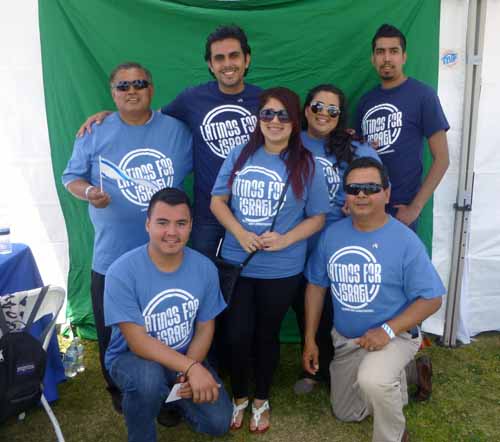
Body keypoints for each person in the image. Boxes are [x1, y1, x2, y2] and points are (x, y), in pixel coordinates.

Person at [62, 62, 192, 411]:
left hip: (164, 255)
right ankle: (119, 388)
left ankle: (167, 394)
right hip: (111, 255)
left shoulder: (177, 130)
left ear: (151, 88)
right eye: (123, 86)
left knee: (163, 325)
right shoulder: (95, 131)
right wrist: (89, 192)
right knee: (112, 329)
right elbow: (71, 177)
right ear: (112, 93)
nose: (131, 90)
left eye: (139, 83)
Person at [76, 25, 261, 259]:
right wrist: (111, 116)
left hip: (253, 208)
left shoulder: (264, 101)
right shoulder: (192, 98)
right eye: (219, 58)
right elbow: (149, 116)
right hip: (208, 214)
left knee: (251, 277)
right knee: (205, 276)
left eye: (234, 56)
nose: (227, 64)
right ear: (210, 65)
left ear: (247, 59)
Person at [211, 87, 329, 433]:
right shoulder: (239, 154)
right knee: (236, 334)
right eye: (267, 114)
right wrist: (239, 232)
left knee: (266, 334)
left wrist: (285, 240)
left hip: (282, 269)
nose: (274, 121)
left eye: (282, 115)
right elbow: (217, 201)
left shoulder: (307, 163)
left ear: (294, 120)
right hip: (238, 263)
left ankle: (261, 399)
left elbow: (318, 217)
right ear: (257, 118)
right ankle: (239, 396)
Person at [303, 157, 444, 442]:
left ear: (387, 193)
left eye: (371, 187)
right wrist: (309, 339)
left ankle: (394, 435)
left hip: (394, 336)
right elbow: (316, 287)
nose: (362, 194)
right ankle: (412, 372)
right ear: (346, 194)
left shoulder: (405, 241)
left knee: (374, 380)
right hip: (348, 340)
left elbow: (432, 299)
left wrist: (387, 330)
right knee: (348, 412)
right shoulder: (332, 236)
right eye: (354, 188)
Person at [104, 188, 232, 442]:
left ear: (190, 226)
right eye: (162, 223)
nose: (172, 232)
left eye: (181, 223)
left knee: (219, 422)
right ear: (148, 224)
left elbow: (205, 327)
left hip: (185, 355)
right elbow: (138, 342)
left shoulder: (204, 268)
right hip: (131, 358)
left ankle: (170, 398)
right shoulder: (121, 272)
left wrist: (188, 371)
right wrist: (192, 368)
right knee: (147, 380)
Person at [293, 84, 380, 395]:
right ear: (306, 110)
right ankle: (313, 366)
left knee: (337, 310)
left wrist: (361, 200)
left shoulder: (354, 146)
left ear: (341, 116)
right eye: (318, 107)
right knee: (304, 306)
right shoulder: (292, 142)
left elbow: (377, 180)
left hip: (343, 242)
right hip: (300, 242)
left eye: (333, 110)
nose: (324, 114)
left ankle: (341, 370)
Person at [356, 24, 450, 231]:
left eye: (394, 51)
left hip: (401, 212)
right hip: (366, 208)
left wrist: (415, 208)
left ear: (404, 57)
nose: (387, 58)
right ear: (373, 58)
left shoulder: (423, 95)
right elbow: (357, 157)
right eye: (380, 52)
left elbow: (442, 159)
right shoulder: (365, 102)